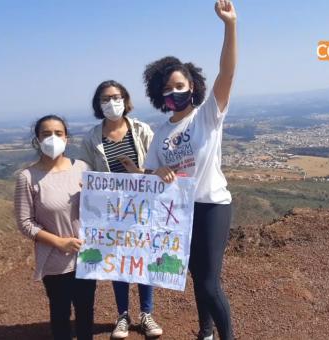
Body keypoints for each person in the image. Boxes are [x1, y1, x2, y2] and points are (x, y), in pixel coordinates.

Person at [141, 1, 237, 339]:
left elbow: (227, 73)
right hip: (180, 212)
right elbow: (149, 171)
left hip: (212, 205)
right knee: (197, 275)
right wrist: (158, 174)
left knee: (210, 282)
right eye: (167, 88)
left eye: (179, 86)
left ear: (192, 87)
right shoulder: (162, 133)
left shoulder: (207, 116)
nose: (174, 92)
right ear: (159, 94)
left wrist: (230, 25)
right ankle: (205, 332)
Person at [77, 80, 162, 339]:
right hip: (110, 210)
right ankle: (123, 315)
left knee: (143, 258)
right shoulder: (92, 137)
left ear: (125, 100)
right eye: (105, 99)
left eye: (115, 97)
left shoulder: (141, 130)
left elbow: (158, 166)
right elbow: (84, 168)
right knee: (119, 261)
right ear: (98, 104)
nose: (111, 102)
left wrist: (139, 172)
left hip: (142, 207)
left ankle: (146, 314)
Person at [14, 114, 95, 340]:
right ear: (37, 139)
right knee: (60, 314)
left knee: (86, 310)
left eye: (58, 133)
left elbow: (98, 209)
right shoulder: (27, 177)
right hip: (54, 259)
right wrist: (59, 242)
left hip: (86, 255)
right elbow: (24, 223)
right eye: (46, 133)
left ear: (67, 138)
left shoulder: (82, 168)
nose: (52, 138)